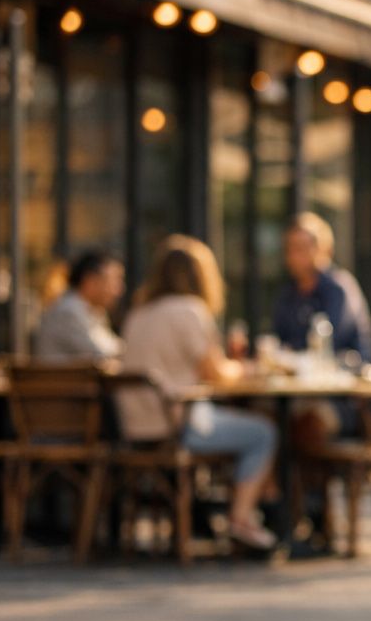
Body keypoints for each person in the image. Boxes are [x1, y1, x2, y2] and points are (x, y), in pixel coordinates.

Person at [117, 235, 278, 551]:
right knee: (263, 432)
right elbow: (216, 373)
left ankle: (244, 514)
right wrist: (248, 369)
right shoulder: (190, 310)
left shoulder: (138, 313)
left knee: (242, 425)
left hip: (135, 426)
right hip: (177, 425)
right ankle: (241, 518)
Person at [272, 211, 371, 363]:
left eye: (301, 248)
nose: (294, 256)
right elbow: (279, 339)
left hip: (345, 377)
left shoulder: (338, 287)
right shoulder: (288, 292)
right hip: (300, 378)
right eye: (290, 249)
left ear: (324, 249)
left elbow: (332, 342)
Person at [34, 249, 125, 362]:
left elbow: (113, 348)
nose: (119, 290)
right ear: (90, 281)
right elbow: (101, 353)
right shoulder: (68, 312)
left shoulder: (91, 311)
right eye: (115, 280)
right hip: (64, 379)